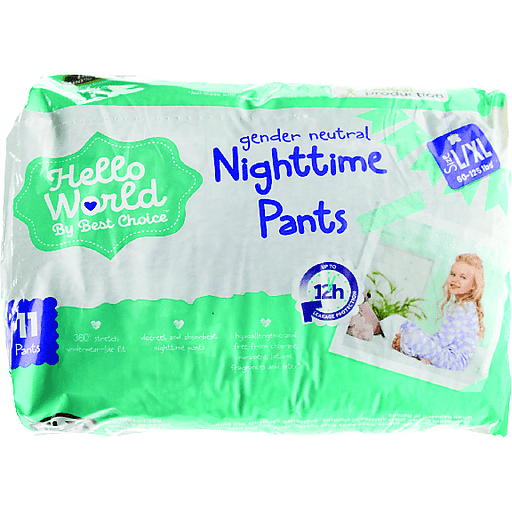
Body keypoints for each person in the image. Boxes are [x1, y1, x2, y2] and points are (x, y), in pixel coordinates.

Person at [392, 254, 484, 371]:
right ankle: (409, 345)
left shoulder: (463, 309)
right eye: (453, 274)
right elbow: (441, 337)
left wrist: (420, 342)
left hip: (453, 361)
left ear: (473, 286)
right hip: (446, 351)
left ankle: (407, 345)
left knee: (413, 336)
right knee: (409, 327)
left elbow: (442, 341)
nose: (455, 279)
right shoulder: (457, 304)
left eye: (463, 277)